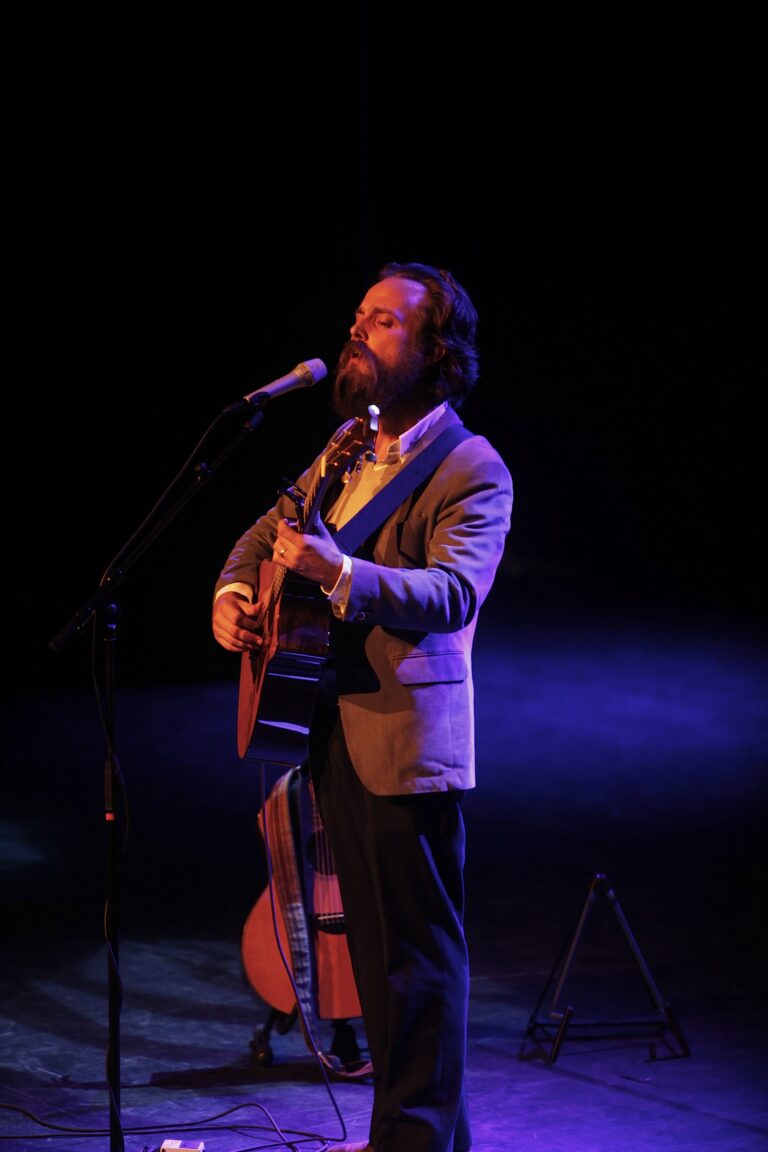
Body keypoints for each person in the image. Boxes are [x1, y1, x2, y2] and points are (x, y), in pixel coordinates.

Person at [212, 261, 513, 1152]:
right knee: (377, 964)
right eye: (360, 315)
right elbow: (264, 533)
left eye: (385, 321)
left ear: (435, 351)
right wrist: (233, 592)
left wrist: (340, 572)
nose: (359, 330)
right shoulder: (349, 445)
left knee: (417, 961)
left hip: (406, 739)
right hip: (330, 725)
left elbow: (453, 592)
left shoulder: (470, 464)